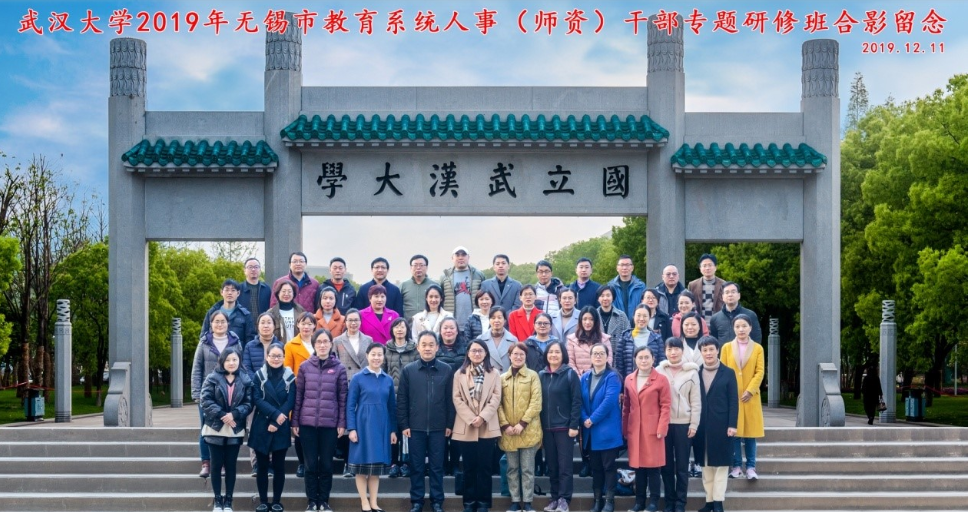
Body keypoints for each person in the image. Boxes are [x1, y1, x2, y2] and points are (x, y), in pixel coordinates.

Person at [397, 331, 456, 512]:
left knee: (437, 466)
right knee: (416, 466)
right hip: (415, 427)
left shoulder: (446, 370)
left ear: (437, 347)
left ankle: (437, 501)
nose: (427, 348)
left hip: (439, 427)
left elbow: (450, 399)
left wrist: (449, 424)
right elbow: (402, 400)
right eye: (424, 344)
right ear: (418, 347)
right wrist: (404, 424)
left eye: (431, 345)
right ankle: (417, 501)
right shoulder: (409, 370)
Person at [292, 328, 348, 512]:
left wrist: (342, 422)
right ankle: (311, 501)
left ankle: (323, 501)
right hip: (307, 424)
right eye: (319, 342)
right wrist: (295, 421)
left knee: (326, 464)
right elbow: (298, 396)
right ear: (314, 345)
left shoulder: (339, 368)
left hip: (329, 425)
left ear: (331, 344)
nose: (322, 345)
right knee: (310, 465)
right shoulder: (305, 367)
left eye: (325, 342)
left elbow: (342, 398)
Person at [453, 339, 503, 512]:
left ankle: (483, 503)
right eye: (473, 350)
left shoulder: (494, 373)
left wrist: (482, 417)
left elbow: (496, 397)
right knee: (469, 467)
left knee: (485, 467)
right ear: (468, 353)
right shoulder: (459, 373)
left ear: (486, 353)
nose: (476, 353)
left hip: (486, 426)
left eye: (480, 350)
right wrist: (471, 418)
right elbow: (457, 398)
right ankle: (469, 502)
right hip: (466, 426)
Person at [347, 343, 398, 512]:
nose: (376, 358)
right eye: (373, 354)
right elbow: (350, 405)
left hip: (382, 426)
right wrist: (351, 428)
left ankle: (374, 502)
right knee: (361, 467)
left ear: (384, 357)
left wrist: (393, 430)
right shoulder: (358, 378)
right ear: (367, 356)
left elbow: (392, 407)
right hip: (362, 426)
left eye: (379, 355)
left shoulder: (387, 379)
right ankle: (364, 501)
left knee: (375, 469)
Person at [200, 347, 252, 512]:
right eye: (228, 360)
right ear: (222, 361)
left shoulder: (245, 379)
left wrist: (235, 414)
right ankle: (217, 499)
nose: (231, 363)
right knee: (215, 465)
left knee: (231, 465)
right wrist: (223, 415)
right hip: (215, 427)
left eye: (234, 359)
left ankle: (228, 499)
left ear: (239, 361)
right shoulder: (212, 378)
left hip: (234, 428)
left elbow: (249, 402)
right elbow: (205, 400)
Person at [192, 310, 244, 479]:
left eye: (223, 321)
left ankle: (221, 463)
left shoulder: (235, 342)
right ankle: (206, 463)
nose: (220, 324)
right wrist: (197, 393)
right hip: (209, 394)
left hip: (230, 392)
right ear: (211, 324)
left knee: (224, 428)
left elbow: (241, 367)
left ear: (228, 323)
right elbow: (197, 368)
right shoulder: (204, 342)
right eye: (216, 321)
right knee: (206, 428)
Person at [622, 346, 672, 512]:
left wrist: (662, 427)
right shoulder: (629, 379)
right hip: (635, 429)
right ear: (635, 360)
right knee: (639, 468)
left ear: (653, 359)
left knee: (653, 468)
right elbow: (626, 406)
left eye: (647, 357)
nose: (643, 361)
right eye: (640, 357)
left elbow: (666, 405)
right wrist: (625, 428)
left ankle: (653, 502)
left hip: (653, 430)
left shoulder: (661, 379)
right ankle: (639, 502)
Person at [249, 342, 296, 512]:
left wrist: (277, 421)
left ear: (284, 357)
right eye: (272, 356)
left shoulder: (290, 377)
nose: (276, 359)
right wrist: (275, 415)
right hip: (261, 424)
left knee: (279, 466)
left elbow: (291, 400)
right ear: (267, 357)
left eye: (279, 356)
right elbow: (256, 399)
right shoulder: (258, 376)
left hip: (280, 425)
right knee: (262, 466)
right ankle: (263, 501)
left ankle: (276, 501)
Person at [655, 339, 701, 512]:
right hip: (664, 425)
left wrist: (694, 424)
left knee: (682, 467)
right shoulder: (658, 371)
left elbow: (696, 402)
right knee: (666, 467)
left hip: (683, 424)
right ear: (665, 351)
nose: (673, 352)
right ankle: (669, 502)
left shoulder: (692, 372)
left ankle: (681, 503)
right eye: (669, 349)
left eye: (676, 349)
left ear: (682, 351)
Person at [694, 336, 738, 512]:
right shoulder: (696, 372)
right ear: (701, 352)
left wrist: (732, 424)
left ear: (717, 350)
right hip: (701, 426)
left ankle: (718, 502)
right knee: (706, 465)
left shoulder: (728, 373)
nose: (708, 353)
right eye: (704, 350)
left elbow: (734, 401)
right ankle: (709, 501)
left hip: (722, 425)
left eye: (711, 349)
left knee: (721, 465)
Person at [719, 315, 765, 481]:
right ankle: (736, 466)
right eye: (737, 326)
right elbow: (723, 370)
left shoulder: (758, 348)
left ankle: (751, 467)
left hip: (750, 397)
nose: (741, 329)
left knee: (750, 435)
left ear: (750, 328)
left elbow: (760, 371)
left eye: (744, 326)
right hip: (732, 396)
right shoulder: (726, 348)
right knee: (735, 433)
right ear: (733, 328)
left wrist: (751, 390)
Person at [499, 343, 543, 512]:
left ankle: (528, 501)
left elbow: (536, 402)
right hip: (509, 432)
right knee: (512, 468)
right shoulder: (502, 378)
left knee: (527, 468)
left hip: (528, 430)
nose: (518, 357)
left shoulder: (533, 376)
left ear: (526, 357)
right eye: (515, 354)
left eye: (521, 354)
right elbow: (498, 404)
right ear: (509, 356)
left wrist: (522, 423)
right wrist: (505, 425)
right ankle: (515, 500)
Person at [580, 343, 623, 512]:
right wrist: (584, 418)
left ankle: (609, 501)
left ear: (607, 356)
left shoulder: (613, 377)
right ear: (590, 357)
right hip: (590, 431)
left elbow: (609, 401)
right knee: (596, 468)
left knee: (609, 467)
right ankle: (597, 500)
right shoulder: (584, 377)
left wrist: (592, 419)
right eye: (595, 353)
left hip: (607, 430)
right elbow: (579, 401)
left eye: (601, 353)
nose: (598, 356)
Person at [538, 342, 581, 512]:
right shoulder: (541, 375)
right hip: (546, 428)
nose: (553, 355)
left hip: (564, 428)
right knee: (552, 466)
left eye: (557, 352)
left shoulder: (570, 374)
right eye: (550, 352)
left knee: (565, 466)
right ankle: (554, 497)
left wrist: (574, 424)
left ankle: (564, 499)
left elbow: (577, 401)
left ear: (563, 355)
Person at [242, 312, 282, 477]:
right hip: (255, 393)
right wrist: (260, 384)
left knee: (272, 428)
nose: (266, 325)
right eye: (262, 322)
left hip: (274, 394)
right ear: (258, 326)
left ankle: (270, 463)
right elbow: (246, 368)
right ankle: (257, 464)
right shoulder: (250, 346)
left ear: (274, 326)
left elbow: (282, 367)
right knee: (254, 429)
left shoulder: (280, 345)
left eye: (269, 322)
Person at [284, 312, 321, 479]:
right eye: (303, 323)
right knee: (300, 428)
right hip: (301, 391)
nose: (306, 327)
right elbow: (287, 371)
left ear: (314, 326)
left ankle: (315, 461)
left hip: (320, 392)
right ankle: (302, 462)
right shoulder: (291, 345)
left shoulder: (320, 343)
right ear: (297, 325)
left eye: (309, 323)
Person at [385, 318, 418, 478]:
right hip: (391, 397)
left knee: (407, 431)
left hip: (409, 398)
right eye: (396, 327)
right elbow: (382, 372)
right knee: (393, 431)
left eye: (402, 327)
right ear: (392, 330)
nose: (399, 329)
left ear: (407, 330)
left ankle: (406, 463)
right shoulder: (386, 349)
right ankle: (393, 463)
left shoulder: (414, 349)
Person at [436, 317, 468, 477]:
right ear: (440, 331)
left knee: (457, 432)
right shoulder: (435, 348)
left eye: (451, 328)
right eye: (445, 328)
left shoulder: (465, 348)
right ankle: (442, 465)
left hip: (460, 395)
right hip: (440, 395)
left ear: (457, 331)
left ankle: (455, 464)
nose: (448, 331)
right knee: (441, 432)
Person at [440, 246, 487, 328]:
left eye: (463, 255)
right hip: (452, 325)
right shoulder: (445, 277)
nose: (460, 257)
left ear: (468, 257)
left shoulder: (479, 275)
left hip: (475, 323)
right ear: (452, 258)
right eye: (457, 255)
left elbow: (485, 296)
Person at [614, 305, 664, 379]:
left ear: (650, 317)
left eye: (645, 316)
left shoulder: (656, 338)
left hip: (652, 382)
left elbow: (661, 363)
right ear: (634, 317)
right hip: (629, 382)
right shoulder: (625, 337)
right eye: (638, 315)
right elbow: (619, 365)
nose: (641, 319)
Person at [202, 279, 256, 345]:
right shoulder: (212, 312)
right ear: (221, 292)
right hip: (214, 350)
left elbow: (250, 340)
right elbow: (203, 336)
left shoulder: (245, 314)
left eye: (233, 290)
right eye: (227, 290)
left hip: (237, 351)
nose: (229, 293)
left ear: (238, 293)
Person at [334, 309, 377, 383]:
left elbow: (372, 363)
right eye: (350, 320)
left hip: (365, 381)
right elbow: (334, 364)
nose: (353, 323)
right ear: (345, 322)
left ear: (360, 321)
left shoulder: (368, 340)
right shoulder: (337, 341)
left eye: (356, 320)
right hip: (345, 382)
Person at [567, 306, 612, 376]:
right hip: (578, 378)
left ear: (596, 321)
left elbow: (608, 361)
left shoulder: (604, 339)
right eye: (584, 319)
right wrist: (579, 378)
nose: (587, 322)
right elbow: (570, 362)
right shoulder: (572, 339)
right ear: (580, 321)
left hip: (600, 377)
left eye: (591, 319)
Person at [686, 254, 726, 322]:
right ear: (700, 268)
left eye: (710, 265)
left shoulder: (724, 284)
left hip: (718, 323)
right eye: (704, 266)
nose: (707, 268)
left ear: (715, 267)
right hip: (698, 323)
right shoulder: (692, 285)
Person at [477, 307, 518, 372]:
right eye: (493, 318)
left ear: (505, 320)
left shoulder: (513, 340)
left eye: (499, 317)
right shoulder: (480, 339)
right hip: (488, 376)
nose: (496, 320)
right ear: (489, 320)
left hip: (507, 376)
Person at [401, 254, 439, 321]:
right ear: (411, 268)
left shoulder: (435, 285)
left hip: (429, 324)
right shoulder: (404, 285)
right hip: (408, 324)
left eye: (421, 265)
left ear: (426, 268)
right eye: (415, 265)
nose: (418, 268)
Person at [607, 255, 646, 320]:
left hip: (637, 323)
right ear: (617, 268)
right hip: (617, 322)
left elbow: (644, 306)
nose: (624, 268)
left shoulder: (640, 286)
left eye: (627, 265)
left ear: (632, 268)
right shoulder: (610, 286)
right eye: (622, 265)